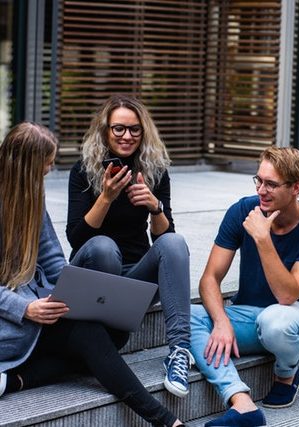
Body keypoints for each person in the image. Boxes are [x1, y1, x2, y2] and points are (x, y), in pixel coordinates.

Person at [0, 121, 185, 426]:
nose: (48, 170)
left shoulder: (33, 199)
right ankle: (165, 420)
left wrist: (72, 294)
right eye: (45, 164)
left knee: (111, 336)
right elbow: (77, 237)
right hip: (14, 321)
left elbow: (53, 260)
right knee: (92, 339)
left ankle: (14, 381)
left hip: (40, 310)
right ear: (25, 165)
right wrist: (26, 308)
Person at [190, 147, 299, 426]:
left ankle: (287, 373)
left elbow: (288, 294)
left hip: (293, 318)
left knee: (276, 321)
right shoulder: (243, 210)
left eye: (271, 184)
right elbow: (210, 278)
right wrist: (221, 321)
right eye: (258, 180)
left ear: (297, 187)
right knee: (186, 317)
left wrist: (263, 238)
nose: (261, 190)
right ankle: (241, 403)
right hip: (247, 316)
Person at [66, 94, 193, 398]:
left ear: (144, 131)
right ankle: (103, 340)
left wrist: (155, 207)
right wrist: (106, 197)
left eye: (135, 129)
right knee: (103, 247)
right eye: (119, 129)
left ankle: (179, 352)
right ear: (105, 131)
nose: (127, 136)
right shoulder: (83, 171)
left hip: (134, 280)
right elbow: (76, 238)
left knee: (175, 243)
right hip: (94, 275)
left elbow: (165, 240)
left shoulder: (154, 170)